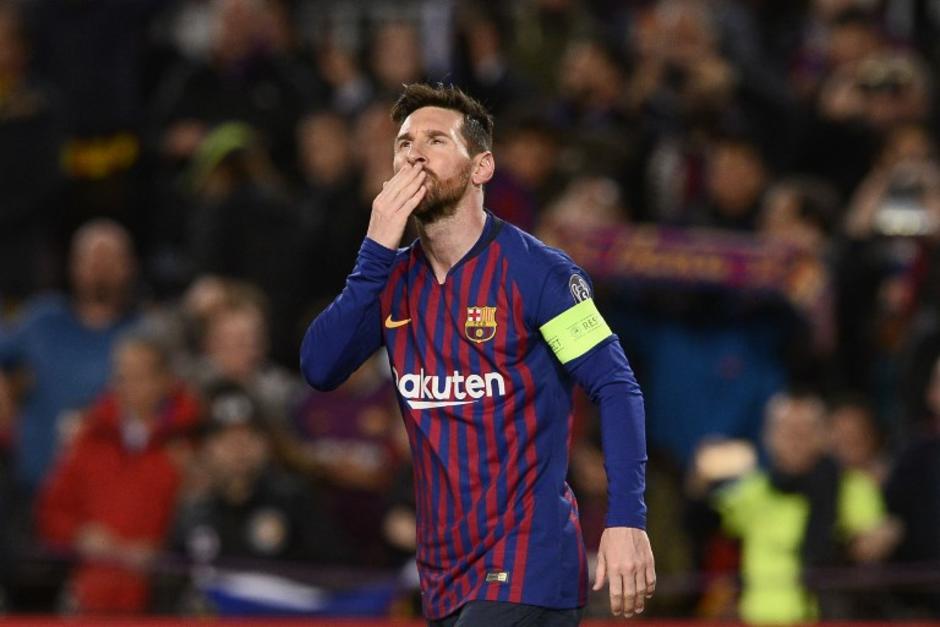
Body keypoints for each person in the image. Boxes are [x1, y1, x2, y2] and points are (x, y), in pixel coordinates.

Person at [300, 83, 655, 626]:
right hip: (443, 575)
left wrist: (626, 518)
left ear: (481, 167)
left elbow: (615, 386)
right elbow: (319, 368)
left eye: (435, 140)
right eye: (403, 143)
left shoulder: (539, 273)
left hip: (530, 562)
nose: (414, 155)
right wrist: (374, 252)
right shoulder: (390, 280)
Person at [36, 333, 201, 614]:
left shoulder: (186, 445)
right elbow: (52, 511)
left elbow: (202, 526)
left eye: (139, 377)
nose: (127, 387)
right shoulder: (90, 439)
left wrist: (162, 550)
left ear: (164, 381)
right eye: (121, 377)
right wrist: (80, 535)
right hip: (89, 594)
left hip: (160, 598)